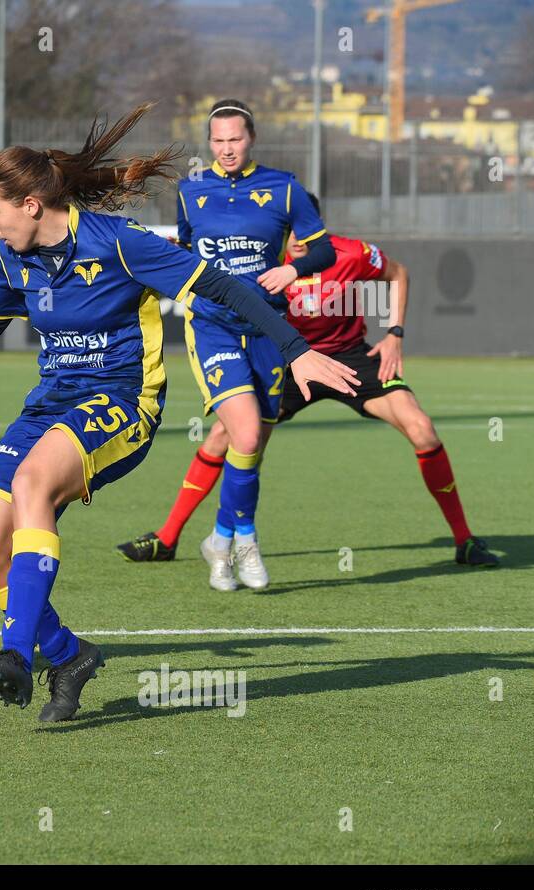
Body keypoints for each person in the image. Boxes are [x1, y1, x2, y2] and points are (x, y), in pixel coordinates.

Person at [0, 106, 359, 721]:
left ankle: (16, 653)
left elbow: (223, 287)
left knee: (34, 482)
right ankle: (67, 655)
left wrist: (297, 351)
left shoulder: (119, 242)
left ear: (32, 204)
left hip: (122, 401)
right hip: (49, 406)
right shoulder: (15, 257)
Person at [117, 194, 500, 567]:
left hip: (349, 359)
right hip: (287, 360)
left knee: (423, 429)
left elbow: (398, 273)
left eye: (305, 231)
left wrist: (395, 333)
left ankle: (465, 540)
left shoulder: (351, 254)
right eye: (290, 230)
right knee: (226, 436)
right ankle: (166, 539)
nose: (298, 240)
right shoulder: (262, 259)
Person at [164, 99, 336, 591]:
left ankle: (219, 538)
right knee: (243, 434)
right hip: (213, 325)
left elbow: (324, 247)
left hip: (270, 330)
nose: (226, 148)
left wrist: (294, 267)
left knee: (252, 445)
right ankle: (245, 539)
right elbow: (185, 249)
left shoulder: (285, 189)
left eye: (234, 139)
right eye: (217, 141)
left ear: (251, 138)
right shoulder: (191, 191)